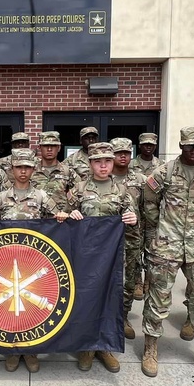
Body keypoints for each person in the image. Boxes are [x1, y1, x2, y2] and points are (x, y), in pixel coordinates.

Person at [140, 127, 194, 380]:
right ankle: (150, 349)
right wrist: (160, 228)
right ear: (181, 145)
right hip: (167, 246)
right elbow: (149, 199)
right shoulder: (165, 171)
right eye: (189, 146)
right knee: (158, 297)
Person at [0, 148, 66, 374]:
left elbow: (57, 217)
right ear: (12, 170)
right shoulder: (1, 197)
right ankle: (12, 350)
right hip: (5, 261)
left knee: (28, 311)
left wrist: (65, 217)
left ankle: (30, 350)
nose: (23, 171)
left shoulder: (41, 196)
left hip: (32, 262)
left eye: (27, 167)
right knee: (10, 312)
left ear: (33, 169)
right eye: (19, 167)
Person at [67, 142, 137, 373]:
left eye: (107, 161)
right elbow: (62, 223)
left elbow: (134, 220)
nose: (104, 165)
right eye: (98, 161)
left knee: (109, 299)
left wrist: (132, 219)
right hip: (84, 257)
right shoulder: (78, 190)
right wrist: (70, 214)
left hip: (111, 259)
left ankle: (104, 346)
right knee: (84, 299)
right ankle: (86, 346)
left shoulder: (122, 190)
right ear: (90, 164)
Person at [110, 137, 145, 340]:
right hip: (105, 244)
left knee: (129, 282)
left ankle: (122, 318)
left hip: (131, 239)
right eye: (118, 153)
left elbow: (148, 210)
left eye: (127, 152)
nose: (123, 156)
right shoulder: (103, 177)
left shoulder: (140, 180)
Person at [129, 132, 163, 299]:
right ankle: (137, 282)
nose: (148, 147)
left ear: (155, 146)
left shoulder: (161, 165)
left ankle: (149, 282)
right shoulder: (131, 164)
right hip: (135, 217)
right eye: (145, 144)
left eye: (151, 144)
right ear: (140, 145)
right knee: (135, 251)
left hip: (152, 217)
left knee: (152, 251)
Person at [31, 131, 76, 211]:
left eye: (53, 146)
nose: (49, 149)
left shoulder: (67, 171)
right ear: (39, 147)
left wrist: (69, 210)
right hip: (37, 219)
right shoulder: (31, 171)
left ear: (59, 148)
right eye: (45, 146)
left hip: (60, 219)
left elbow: (80, 192)